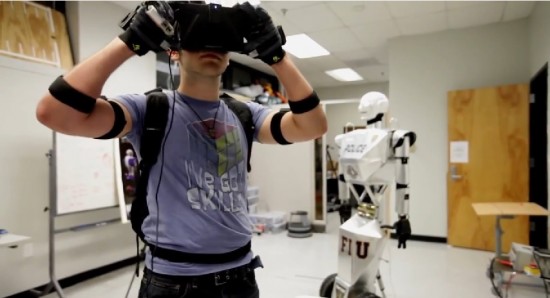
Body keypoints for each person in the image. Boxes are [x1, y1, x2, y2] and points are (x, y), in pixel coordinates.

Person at [36, 2, 327, 298]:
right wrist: (130, 41)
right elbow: (55, 113)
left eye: (220, 44)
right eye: (196, 39)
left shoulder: (245, 115)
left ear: (229, 58)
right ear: (174, 52)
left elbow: (313, 126)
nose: (209, 47)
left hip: (241, 276)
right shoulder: (149, 110)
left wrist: (276, 55)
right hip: (172, 283)